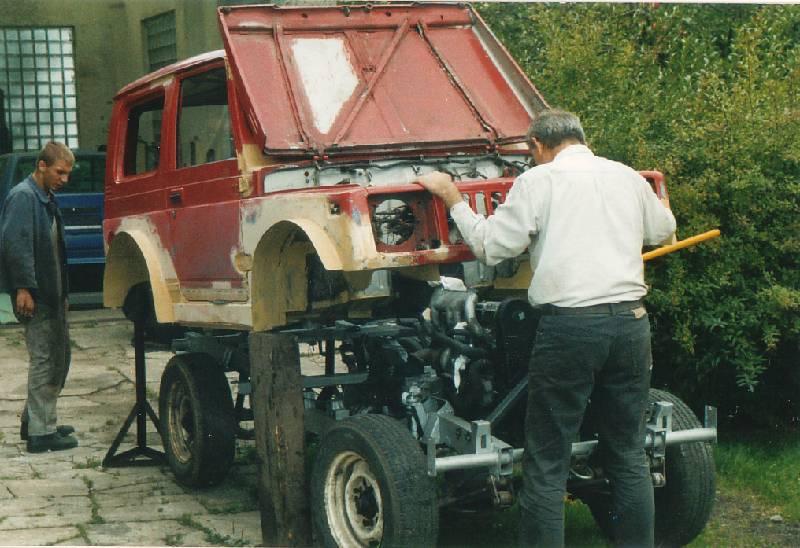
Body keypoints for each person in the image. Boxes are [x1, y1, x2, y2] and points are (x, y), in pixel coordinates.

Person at [417, 109, 676, 547]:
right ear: (582, 136)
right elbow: (664, 230)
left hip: (571, 328)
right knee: (628, 454)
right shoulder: (625, 177)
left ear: (536, 146)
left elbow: (490, 247)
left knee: (547, 462)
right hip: (631, 323)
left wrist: (451, 196)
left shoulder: (538, 182)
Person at [0, 141, 77, 453]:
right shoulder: (23, 197)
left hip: (52, 294)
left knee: (60, 358)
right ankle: (41, 434)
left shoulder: (45, 198)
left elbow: (56, 249)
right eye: (60, 172)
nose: (64, 179)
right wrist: (23, 288)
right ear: (42, 166)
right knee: (46, 360)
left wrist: (65, 293)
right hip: (36, 295)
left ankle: (35, 420)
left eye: (68, 173)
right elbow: (15, 245)